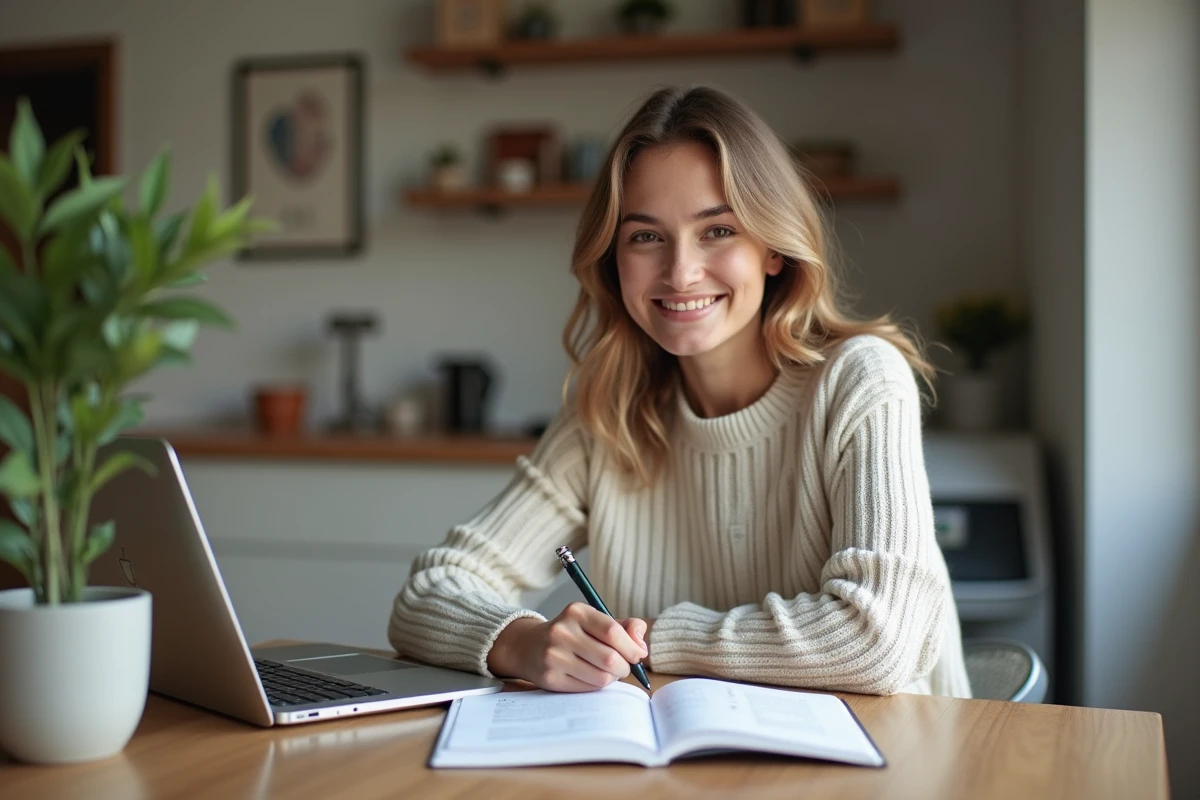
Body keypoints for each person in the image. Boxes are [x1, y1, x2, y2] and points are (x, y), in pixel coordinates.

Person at [389, 86, 971, 698]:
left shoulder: (859, 380)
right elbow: (429, 594)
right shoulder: (607, 413)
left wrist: (651, 641)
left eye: (717, 229)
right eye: (645, 236)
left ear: (773, 247)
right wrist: (522, 642)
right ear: (613, 257)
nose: (680, 272)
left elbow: (880, 639)